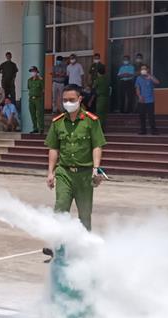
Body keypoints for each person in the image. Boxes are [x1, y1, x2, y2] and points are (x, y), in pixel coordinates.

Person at [43, 84, 106, 257]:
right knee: (60, 208)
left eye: (71, 100)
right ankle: (58, 246)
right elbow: (53, 148)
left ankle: (84, 248)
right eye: (65, 100)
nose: (68, 103)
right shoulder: (58, 122)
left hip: (85, 174)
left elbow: (97, 146)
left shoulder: (91, 121)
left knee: (84, 213)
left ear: (80, 99)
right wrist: (51, 172)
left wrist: (96, 168)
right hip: (64, 173)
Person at [135, 64, 160, 135]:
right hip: (142, 100)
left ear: (147, 70)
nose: (143, 70)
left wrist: (151, 77)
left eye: (144, 69)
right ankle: (143, 130)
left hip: (150, 100)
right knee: (142, 116)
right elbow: (137, 88)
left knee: (151, 116)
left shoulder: (150, 77)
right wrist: (139, 96)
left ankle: (154, 130)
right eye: (142, 69)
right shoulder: (138, 78)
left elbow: (157, 82)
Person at [28, 66, 45, 134]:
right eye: (31, 71)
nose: (32, 73)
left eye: (33, 71)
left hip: (38, 99)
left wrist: (39, 96)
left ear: (36, 72)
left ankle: (41, 128)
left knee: (39, 114)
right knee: (32, 114)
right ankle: (35, 128)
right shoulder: (29, 80)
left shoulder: (40, 80)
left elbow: (43, 89)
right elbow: (29, 88)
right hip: (31, 99)